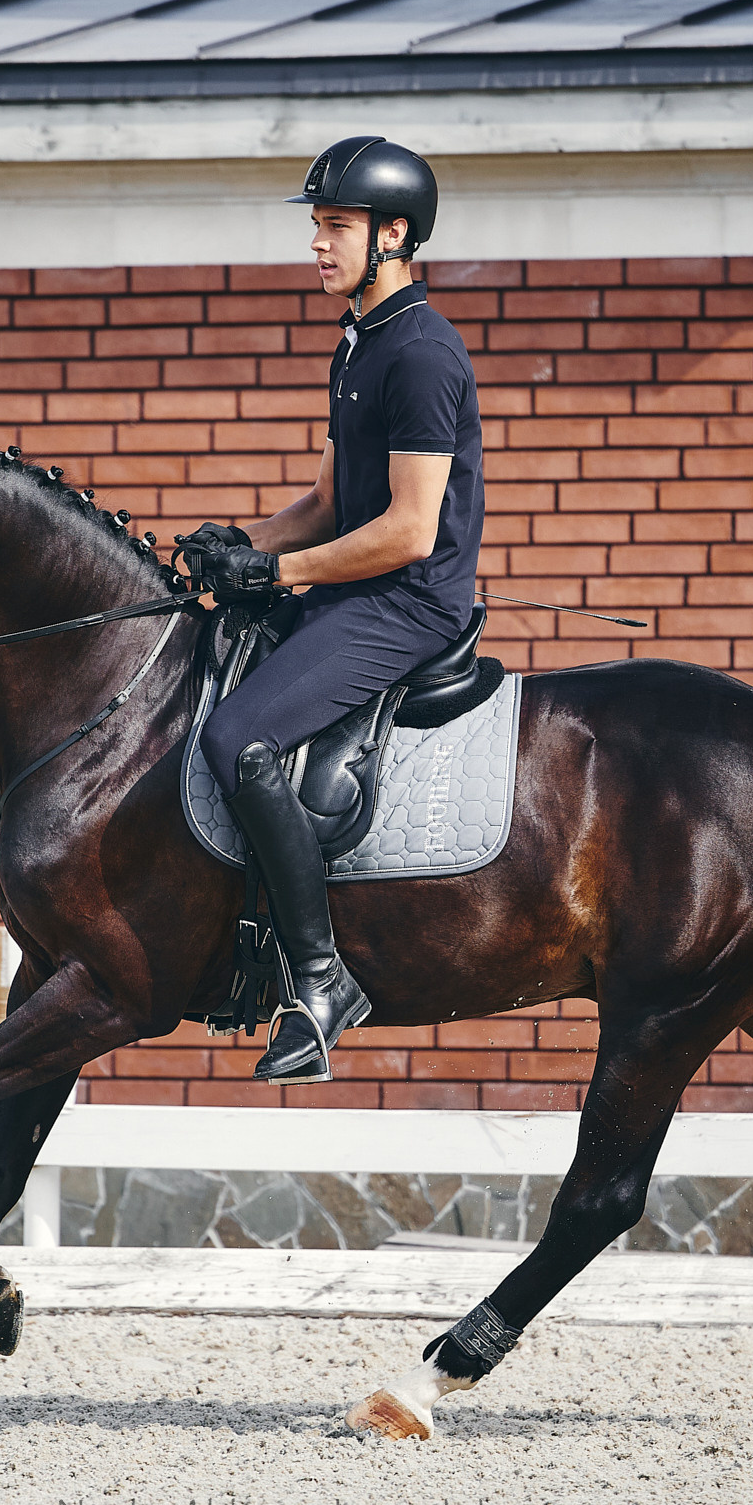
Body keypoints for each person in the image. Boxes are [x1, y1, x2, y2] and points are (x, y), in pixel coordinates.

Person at [182, 136, 485, 1084]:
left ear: (394, 235)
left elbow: (408, 530)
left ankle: (319, 979)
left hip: (407, 604)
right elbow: (323, 501)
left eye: (335, 228)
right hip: (358, 584)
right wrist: (241, 544)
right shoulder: (359, 342)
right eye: (317, 227)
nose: (318, 245)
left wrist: (286, 576)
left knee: (241, 740)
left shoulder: (425, 354)